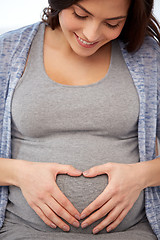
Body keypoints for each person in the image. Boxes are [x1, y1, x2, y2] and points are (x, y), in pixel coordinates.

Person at [0, 0, 160, 239]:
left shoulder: (149, 57)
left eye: (112, 23)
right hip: (22, 231)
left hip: (133, 232)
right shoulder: (8, 51)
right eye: (80, 15)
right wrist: (18, 173)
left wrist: (141, 177)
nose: (91, 34)